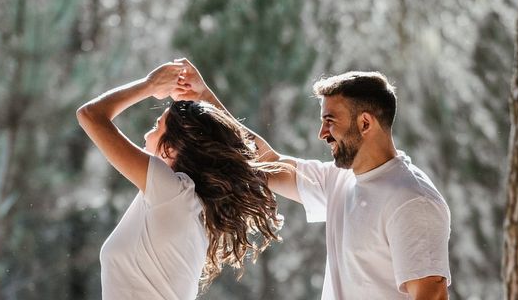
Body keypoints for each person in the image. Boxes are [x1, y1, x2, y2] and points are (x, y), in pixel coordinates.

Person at [174, 58, 451, 300]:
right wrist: (204, 97)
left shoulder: (412, 201)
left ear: (365, 123)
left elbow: (432, 295)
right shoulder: (340, 180)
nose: (322, 133)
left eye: (330, 120)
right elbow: (267, 162)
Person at [76, 61, 283, 300]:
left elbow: (91, 115)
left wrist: (149, 84)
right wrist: (203, 96)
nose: (147, 134)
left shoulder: (174, 193)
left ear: (172, 148)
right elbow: (249, 155)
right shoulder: (186, 202)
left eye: (156, 127)